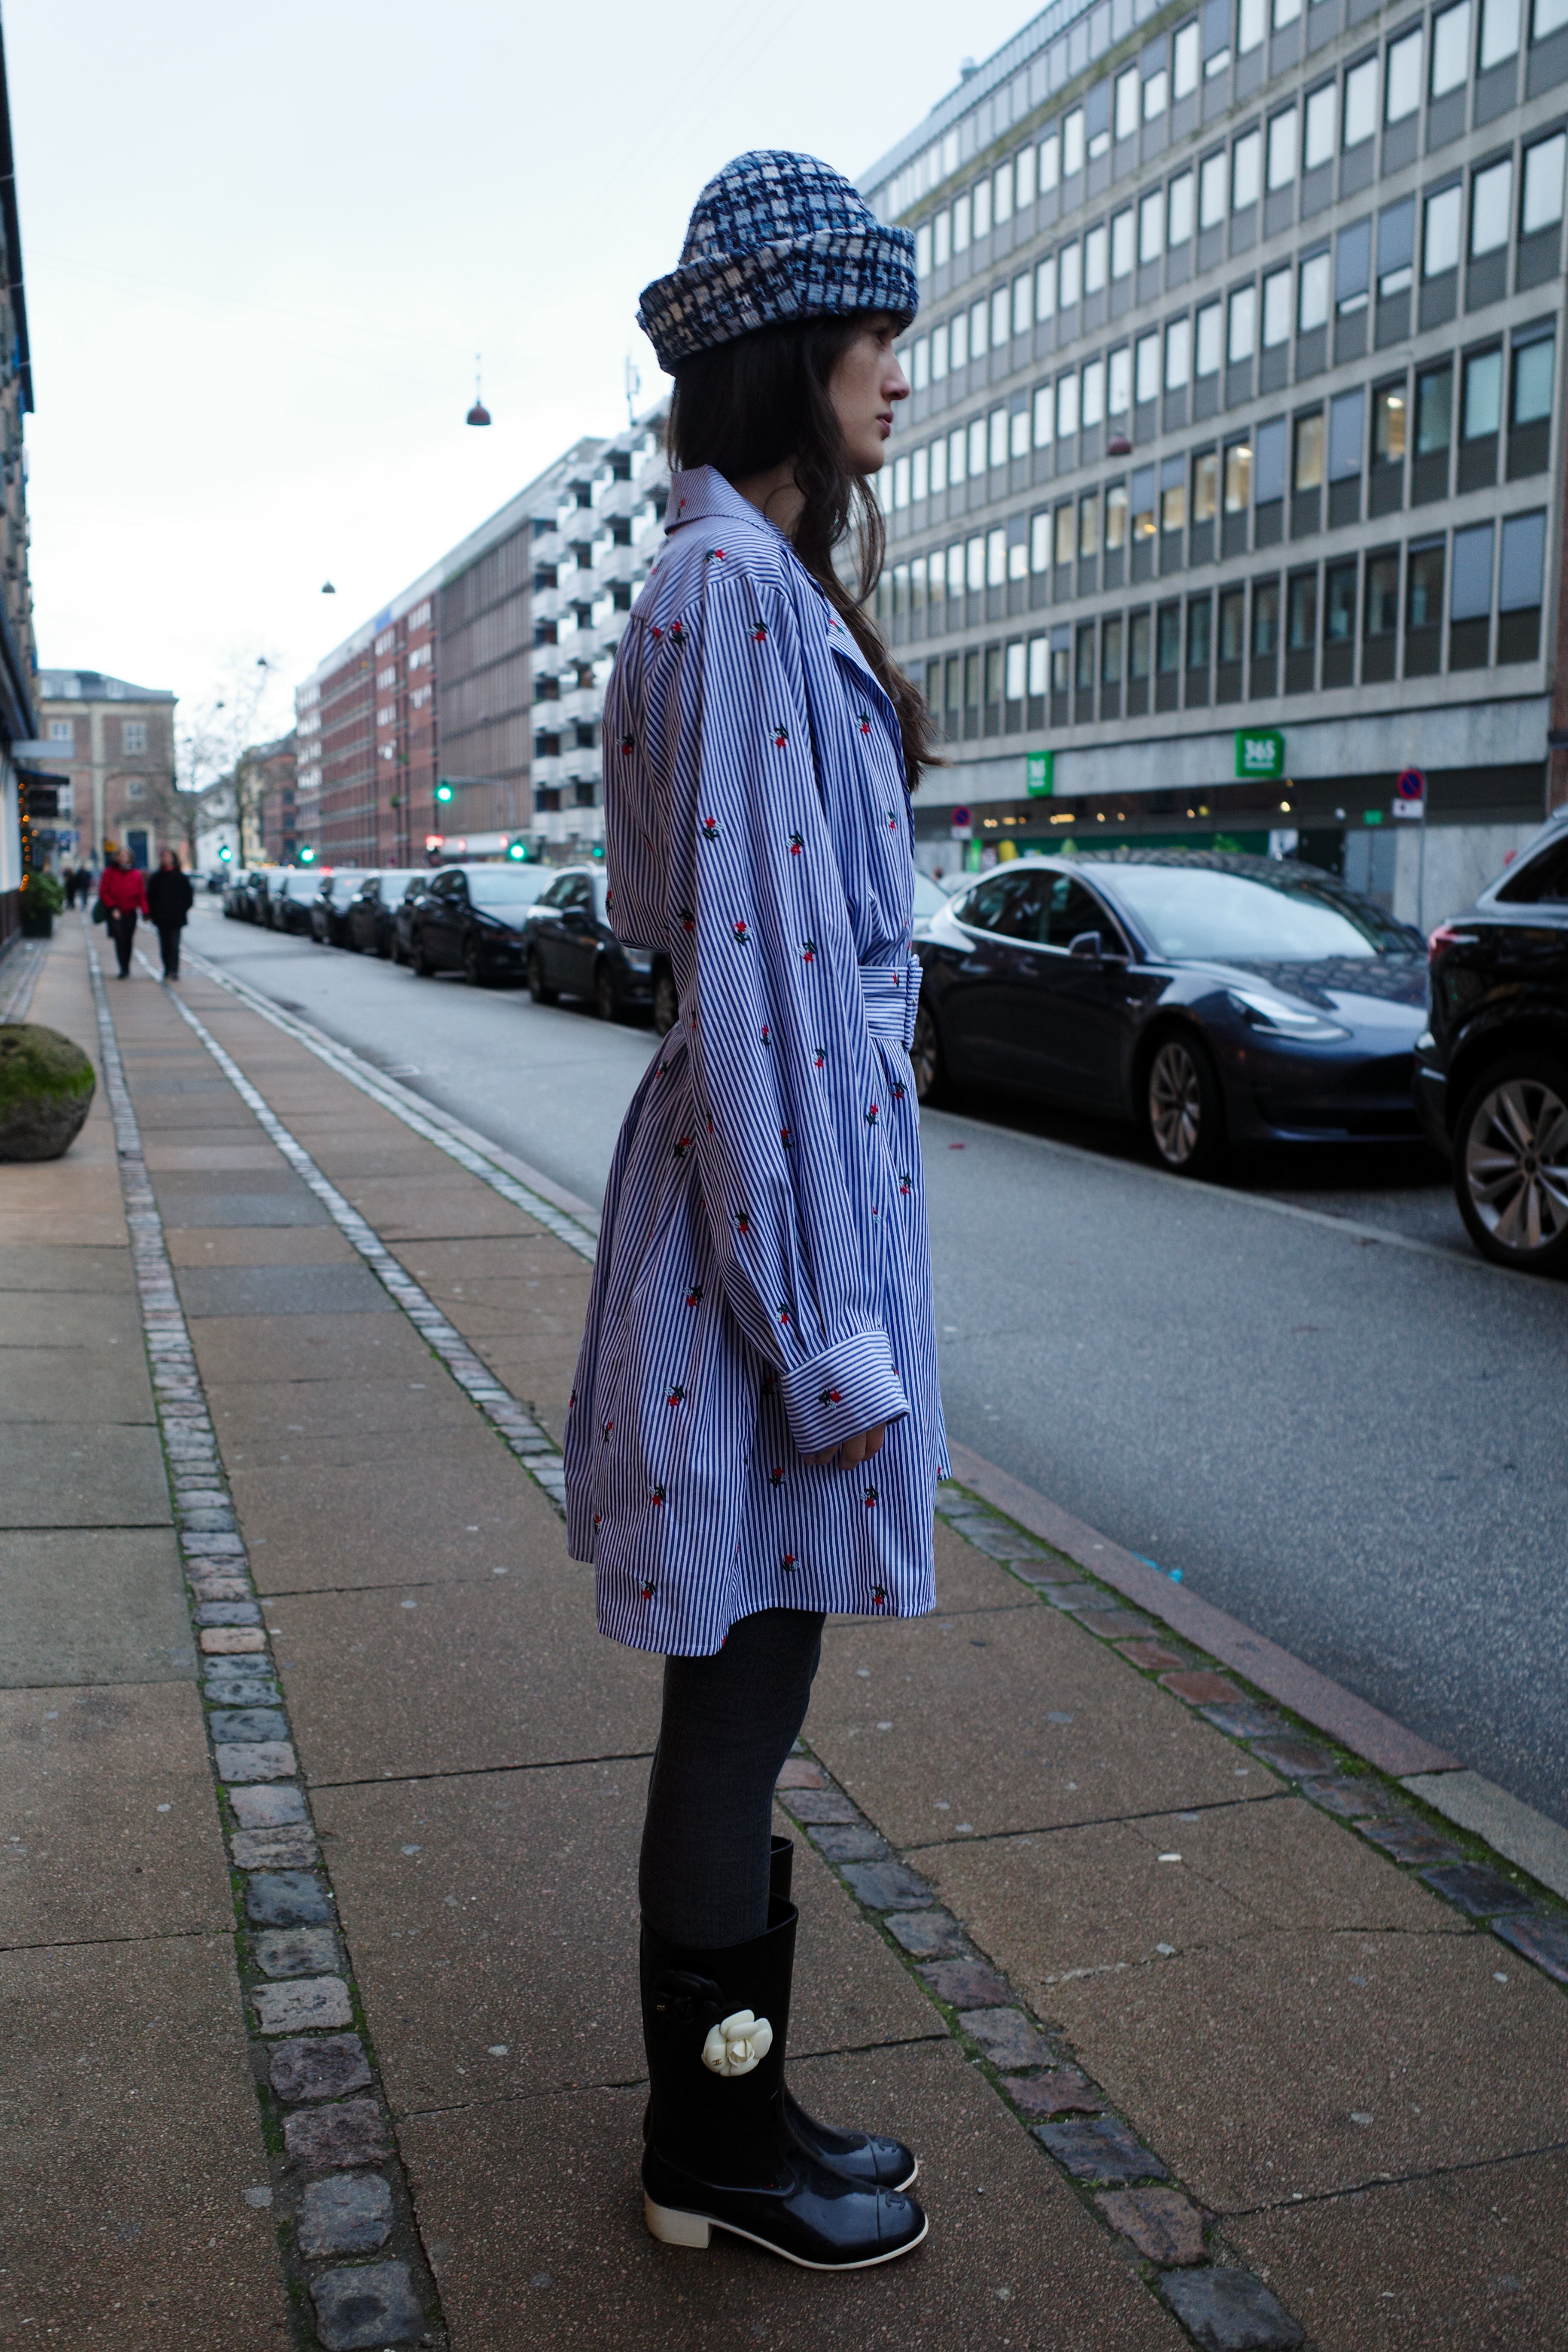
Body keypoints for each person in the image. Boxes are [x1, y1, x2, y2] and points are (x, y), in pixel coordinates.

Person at [565, 152, 945, 2271]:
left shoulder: (747, 589)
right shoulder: (725, 599)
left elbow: (686, 928)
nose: (898, 368)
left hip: (772, 1215)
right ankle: (711, 2147)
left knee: (757, 1673)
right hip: (758, 1246)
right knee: (739, 1680)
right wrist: (820, 1335)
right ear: (783, 356)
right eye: (870, 330)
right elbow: (760, 1001)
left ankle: (738, 2112)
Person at [96, 848, 149, 978]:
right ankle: (123, 968)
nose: (123, 858)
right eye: (120, 856)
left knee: (128, 940)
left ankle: (127, 966)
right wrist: (113, 907)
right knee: (119, 939)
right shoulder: (109, 873)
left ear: (130, 858)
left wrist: (146, 912)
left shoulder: (136, 875)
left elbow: (141, 895)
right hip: (115, 912)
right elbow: (104, 892)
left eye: (126, 856)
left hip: (130, 912)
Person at [146, 848, 194, 979]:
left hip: (176, 918)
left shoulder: (181, 878)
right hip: (161, 918)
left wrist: (181, 910)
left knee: (174, 944)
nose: (166, 860)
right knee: (164, 944)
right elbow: (151, 897)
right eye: (164, 857)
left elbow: (188, 898)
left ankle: (174, 970)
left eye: (169, 857)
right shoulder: (156, 878)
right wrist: (153, 913)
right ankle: (167, 968)